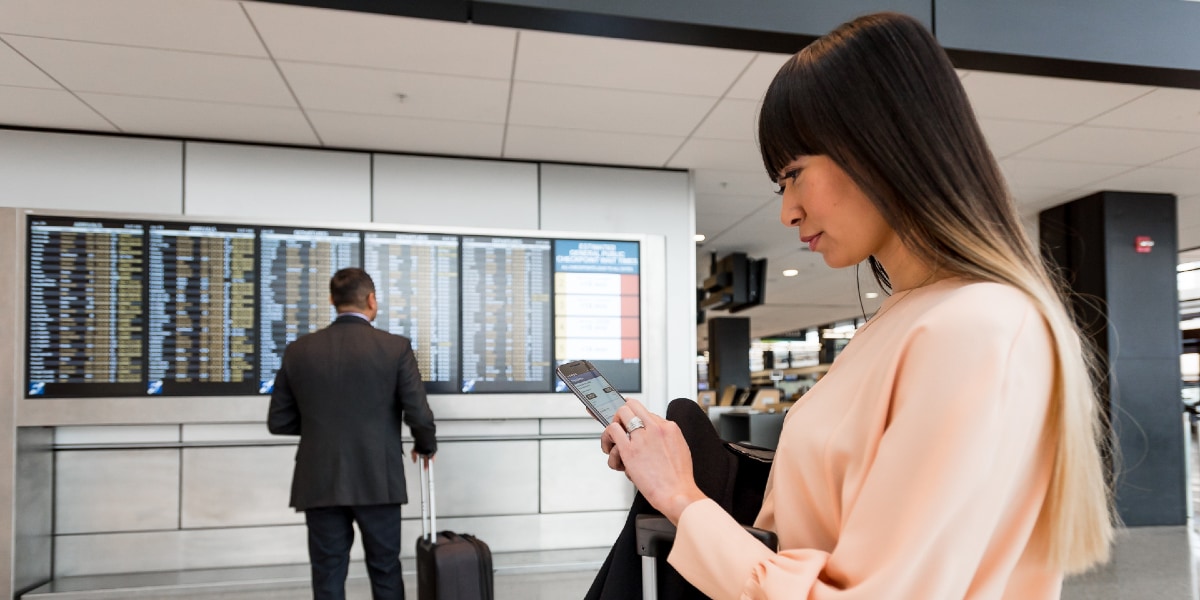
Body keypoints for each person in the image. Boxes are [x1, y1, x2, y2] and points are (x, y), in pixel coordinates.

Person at [600, 12, 1114, 600]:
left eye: (794, 174)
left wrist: (681, 498)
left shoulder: (976, 327)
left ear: (881, 145)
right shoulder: (906, 320)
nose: (786, 211)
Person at [268, 267, 437, 600]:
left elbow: (279, 421)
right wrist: (425, 446)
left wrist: (322, 427)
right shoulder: (395, 347)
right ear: (371, 300)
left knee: (328, 572)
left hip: (320, 478)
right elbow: (417, 412)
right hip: (378, 478)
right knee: (385, 568)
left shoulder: (299, 349)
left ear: (332, 300)